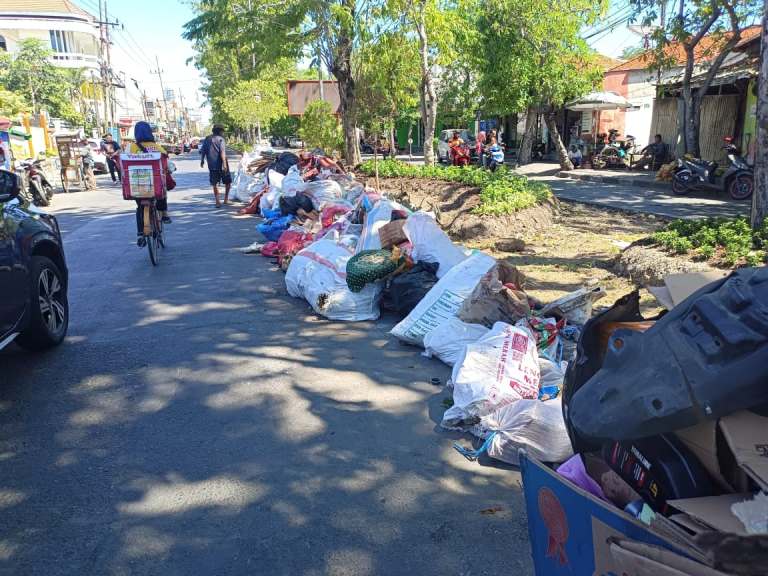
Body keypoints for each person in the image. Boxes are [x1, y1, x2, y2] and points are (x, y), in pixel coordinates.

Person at [128, 121, 171, 246]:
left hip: (137, 185)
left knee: (139, 208)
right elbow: (165, 158)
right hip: (154, 184)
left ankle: (140, 233)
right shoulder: (156, 146)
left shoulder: (131, 147)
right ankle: (164, 214)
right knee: (162, 192)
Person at [200, 125, 231, 207]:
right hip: (222, 164)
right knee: (228, 182)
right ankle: (225, 199)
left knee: (215, 183)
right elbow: (222, 152)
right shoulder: (221, 139)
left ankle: (217, 202)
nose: (223, 133)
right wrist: (224, 163)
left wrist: (202, 160)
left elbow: (203, 150)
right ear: (220, 131)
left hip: (212, 165)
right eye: (222, 131)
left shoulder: (207, 139)